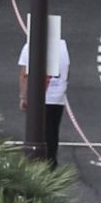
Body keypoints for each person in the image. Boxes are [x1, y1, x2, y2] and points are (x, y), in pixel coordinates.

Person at [18, 15, 71, 165]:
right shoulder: (62, 46)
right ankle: (51, 161)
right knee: (52, 131)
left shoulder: (29, 47)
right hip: (58, 97)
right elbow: (67, 70)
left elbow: (24, 74)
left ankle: (37, 163)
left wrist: (23, 96)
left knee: (36, 132)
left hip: (39, 97)